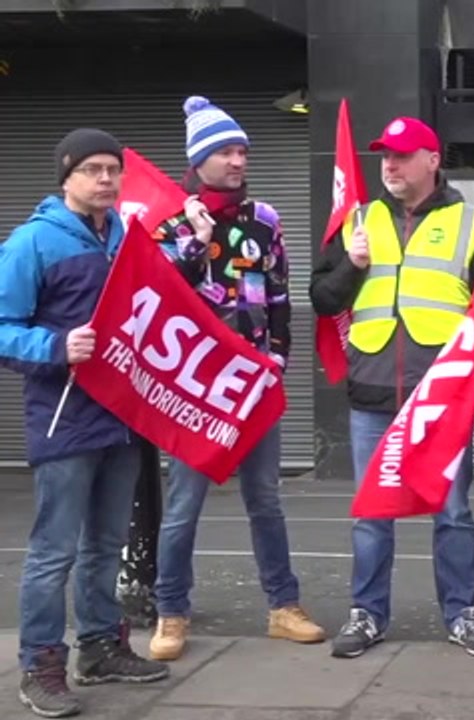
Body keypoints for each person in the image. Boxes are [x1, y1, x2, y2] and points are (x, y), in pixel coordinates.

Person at [310, 116, 474, 659]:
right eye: (384, 156)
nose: (389, 165)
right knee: (372, 513)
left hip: (441, 398)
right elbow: (323, 298)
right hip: (371, 395)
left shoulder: (472, 221)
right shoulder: (359, 220)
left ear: (432, 160)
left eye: (401, 155)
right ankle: (367, 614)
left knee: (454, 511)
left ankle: (462, 612)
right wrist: (353, 263)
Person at [1, 128, 169, 718]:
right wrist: (54, 346)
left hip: (123, 419)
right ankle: (40, 666)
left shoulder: (127, 239)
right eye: (92, 169)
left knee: (106, 545)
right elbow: (2, 326)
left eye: (112, 169)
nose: (105, 179)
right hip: (64, 421)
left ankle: (99, 649)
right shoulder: (33, 243)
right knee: (54, 552)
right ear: (66, 176)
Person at [150, 96, 325, 662]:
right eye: (226, 151)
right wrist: (194, 244)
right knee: (183, 507)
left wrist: (276, 361)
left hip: (252, 382)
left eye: (242, 151)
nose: (238, 161)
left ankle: (283, 606)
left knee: (265, 501)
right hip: (196, 390)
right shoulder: (169, 225)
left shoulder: (265, 220)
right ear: (198, 160)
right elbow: (160, 298)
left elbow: (278, 297)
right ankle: (171, 613)